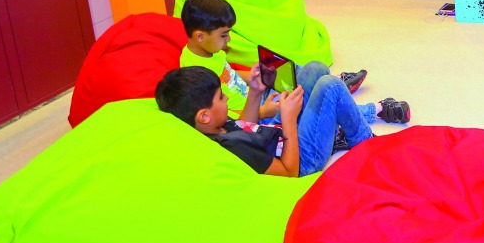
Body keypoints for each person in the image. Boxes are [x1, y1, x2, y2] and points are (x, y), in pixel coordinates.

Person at [156, 65, 401, 177]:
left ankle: (336, 129)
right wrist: (289, 121)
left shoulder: (213, 126)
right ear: (204, 115)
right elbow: (289, 170)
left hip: (280, 132)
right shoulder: (234, 149)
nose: (227, 97)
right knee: (331, 86)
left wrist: (254, 91)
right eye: (221, 97)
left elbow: (243, 125)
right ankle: (367, 144)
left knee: (313, 70)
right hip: (302, 158)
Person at [178, 0, 383, 125]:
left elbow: (227, 76)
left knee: (303, 69)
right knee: (312, 104)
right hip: (259, 113)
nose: (229, 39)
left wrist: (253, 75)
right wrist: (263, 111)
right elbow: (230, 122)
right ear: (200, 36)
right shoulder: (195, 74)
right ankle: (374, 111)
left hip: (258, 94)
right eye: (224, 35)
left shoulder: (209, 51)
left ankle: (334, 84)